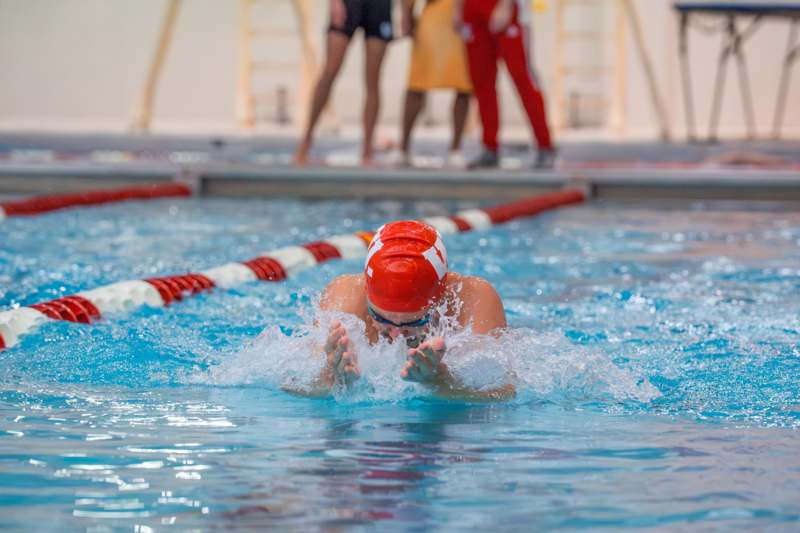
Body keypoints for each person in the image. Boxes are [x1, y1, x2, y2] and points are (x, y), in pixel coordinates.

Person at [293, 220, 515, 401]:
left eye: (414, 322)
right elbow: (293, 385)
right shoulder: (345, 300)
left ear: (440, 299)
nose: (396, 334)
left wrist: (441, 382)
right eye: (381, 318)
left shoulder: (474, 300)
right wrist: (332, 378)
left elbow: (503, 394)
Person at [455, 0, 557, 170]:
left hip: (505, 9)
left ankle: (544, 144)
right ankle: (489, 147)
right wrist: (457, 8)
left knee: (522, 78)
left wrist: (506, 4)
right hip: (472, 10)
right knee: (482, 82)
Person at [295, 0, 394, 167]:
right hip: (349, 3)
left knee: (373, 80)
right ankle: (305, 144)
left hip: (379, 5)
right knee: (330, 71)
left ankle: (367, 152)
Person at [395, 0, 473, 168]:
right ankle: (403, 148)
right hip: (434, 15)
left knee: (464, 84)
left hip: (463, 18)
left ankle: (456, 149)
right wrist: (406, 14)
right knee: (417, 82)